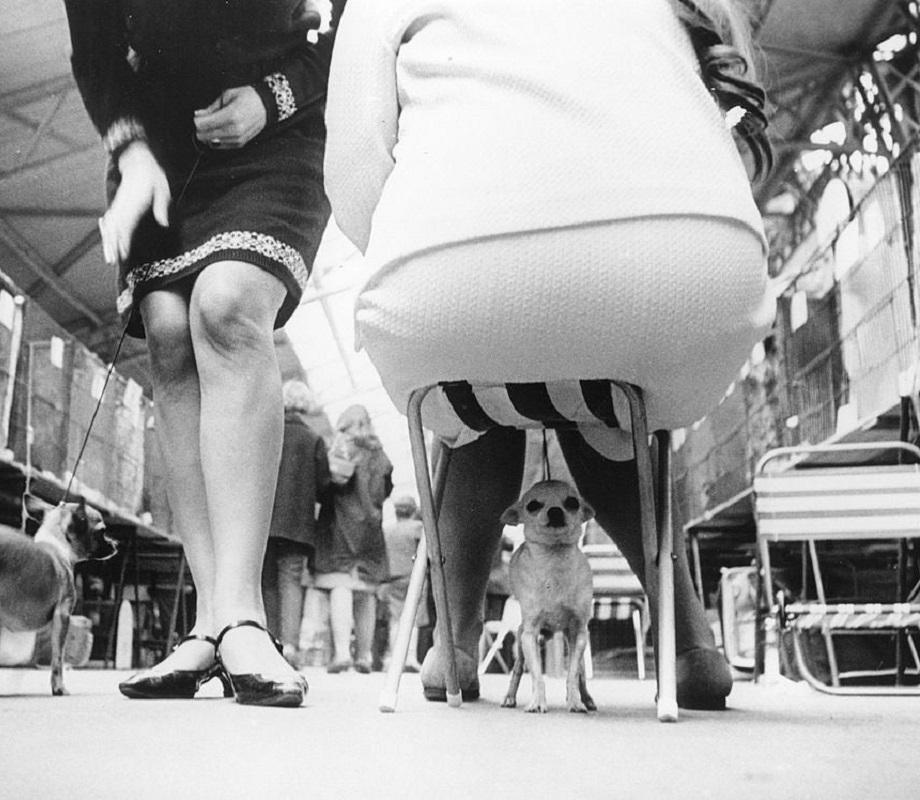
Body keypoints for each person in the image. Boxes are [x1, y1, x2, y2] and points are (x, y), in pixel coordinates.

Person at [323, 0, 773, 709]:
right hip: (691, 277)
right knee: (611, 409)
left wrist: (441, 249)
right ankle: (689, 643)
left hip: (453, 278)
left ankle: (455, 644)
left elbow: (352, 171)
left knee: (478, 397)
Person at [64, 0, 344, 706]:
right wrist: (130, 157)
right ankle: (211, 618)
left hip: (277, 131)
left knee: (227, 307)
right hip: (156, 147)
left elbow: (352, 28)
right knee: (166, 335)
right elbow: (94, 46)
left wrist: (272, 98)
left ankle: (244, 613)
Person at [310, 405, 393, 673]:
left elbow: (332, 482)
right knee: (366, 592)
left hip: (341, 528)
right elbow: (386, 490)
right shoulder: (380, 453)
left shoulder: (344, 447)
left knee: (341, 587)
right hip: (372, 529)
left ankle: (343, 652)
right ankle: (365, 656)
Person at [262, 380, 332, 665]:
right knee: (291, 580)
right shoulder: (313, 439)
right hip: (298, 524)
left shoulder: (266, 432)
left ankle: (269, 641)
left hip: (264, 521)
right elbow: (324, 483)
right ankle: (290, 646)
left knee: (266, 581)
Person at [378, 495, 424, 672]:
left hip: (392, 579)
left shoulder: (387, 530)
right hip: (414, 578)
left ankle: (393, 658)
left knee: (395, 620)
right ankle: (410, 658)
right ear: (413, 511)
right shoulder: (418, 529)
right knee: (413, 619)